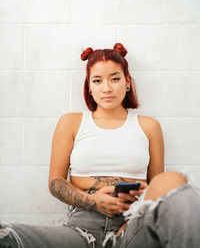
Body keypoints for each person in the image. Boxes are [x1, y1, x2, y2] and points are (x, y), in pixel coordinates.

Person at [0, 43, 200, 248]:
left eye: (115, 78)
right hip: (81, 229)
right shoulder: (71, 122)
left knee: (177, 184)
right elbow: (55, 182)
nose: (106, 88)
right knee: (5, 235)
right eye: (97, 80)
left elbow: (158, 190)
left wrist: (137, 208)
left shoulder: (149, 126)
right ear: (89, 86)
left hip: (130, 226)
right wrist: (94, 201)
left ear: (127, 82)